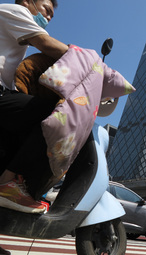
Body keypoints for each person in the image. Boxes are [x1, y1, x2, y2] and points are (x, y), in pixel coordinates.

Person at [0, 0, 68, 214]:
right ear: (27, 2)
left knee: (8, 152)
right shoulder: (15, 11)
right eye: (46, 11)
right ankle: (7, 185)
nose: (47, 18)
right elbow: (46, 44)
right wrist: (91, 63)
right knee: (56, 115)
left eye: (51, 16)